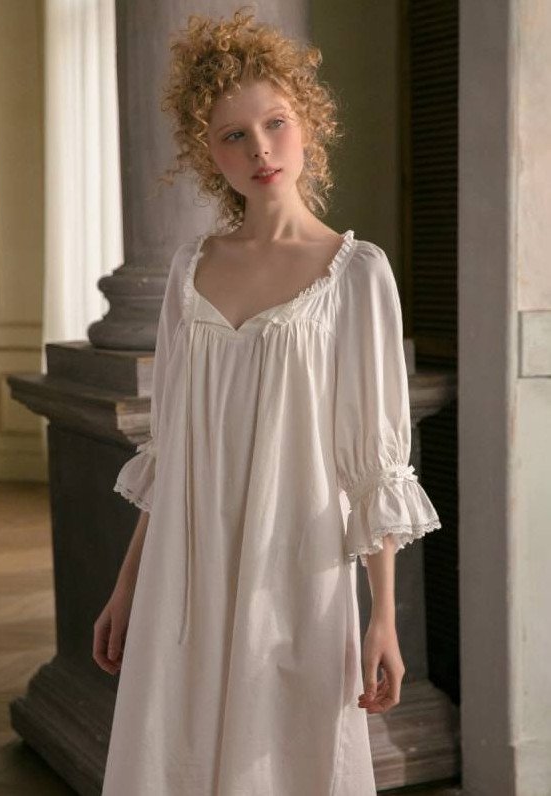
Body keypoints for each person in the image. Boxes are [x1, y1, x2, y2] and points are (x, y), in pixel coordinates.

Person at [94, 7, 442, 795]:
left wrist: (381, 618)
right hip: (186, 569)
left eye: (275, 123)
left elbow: (376, 468)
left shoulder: (357, 275)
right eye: (233, 135)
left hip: (294, 566)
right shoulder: (189, 270)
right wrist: (127, 586)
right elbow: (172, 447)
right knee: (174, 754)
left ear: (308, 124)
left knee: (285, 761)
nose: (260, 149)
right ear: (206, 153)